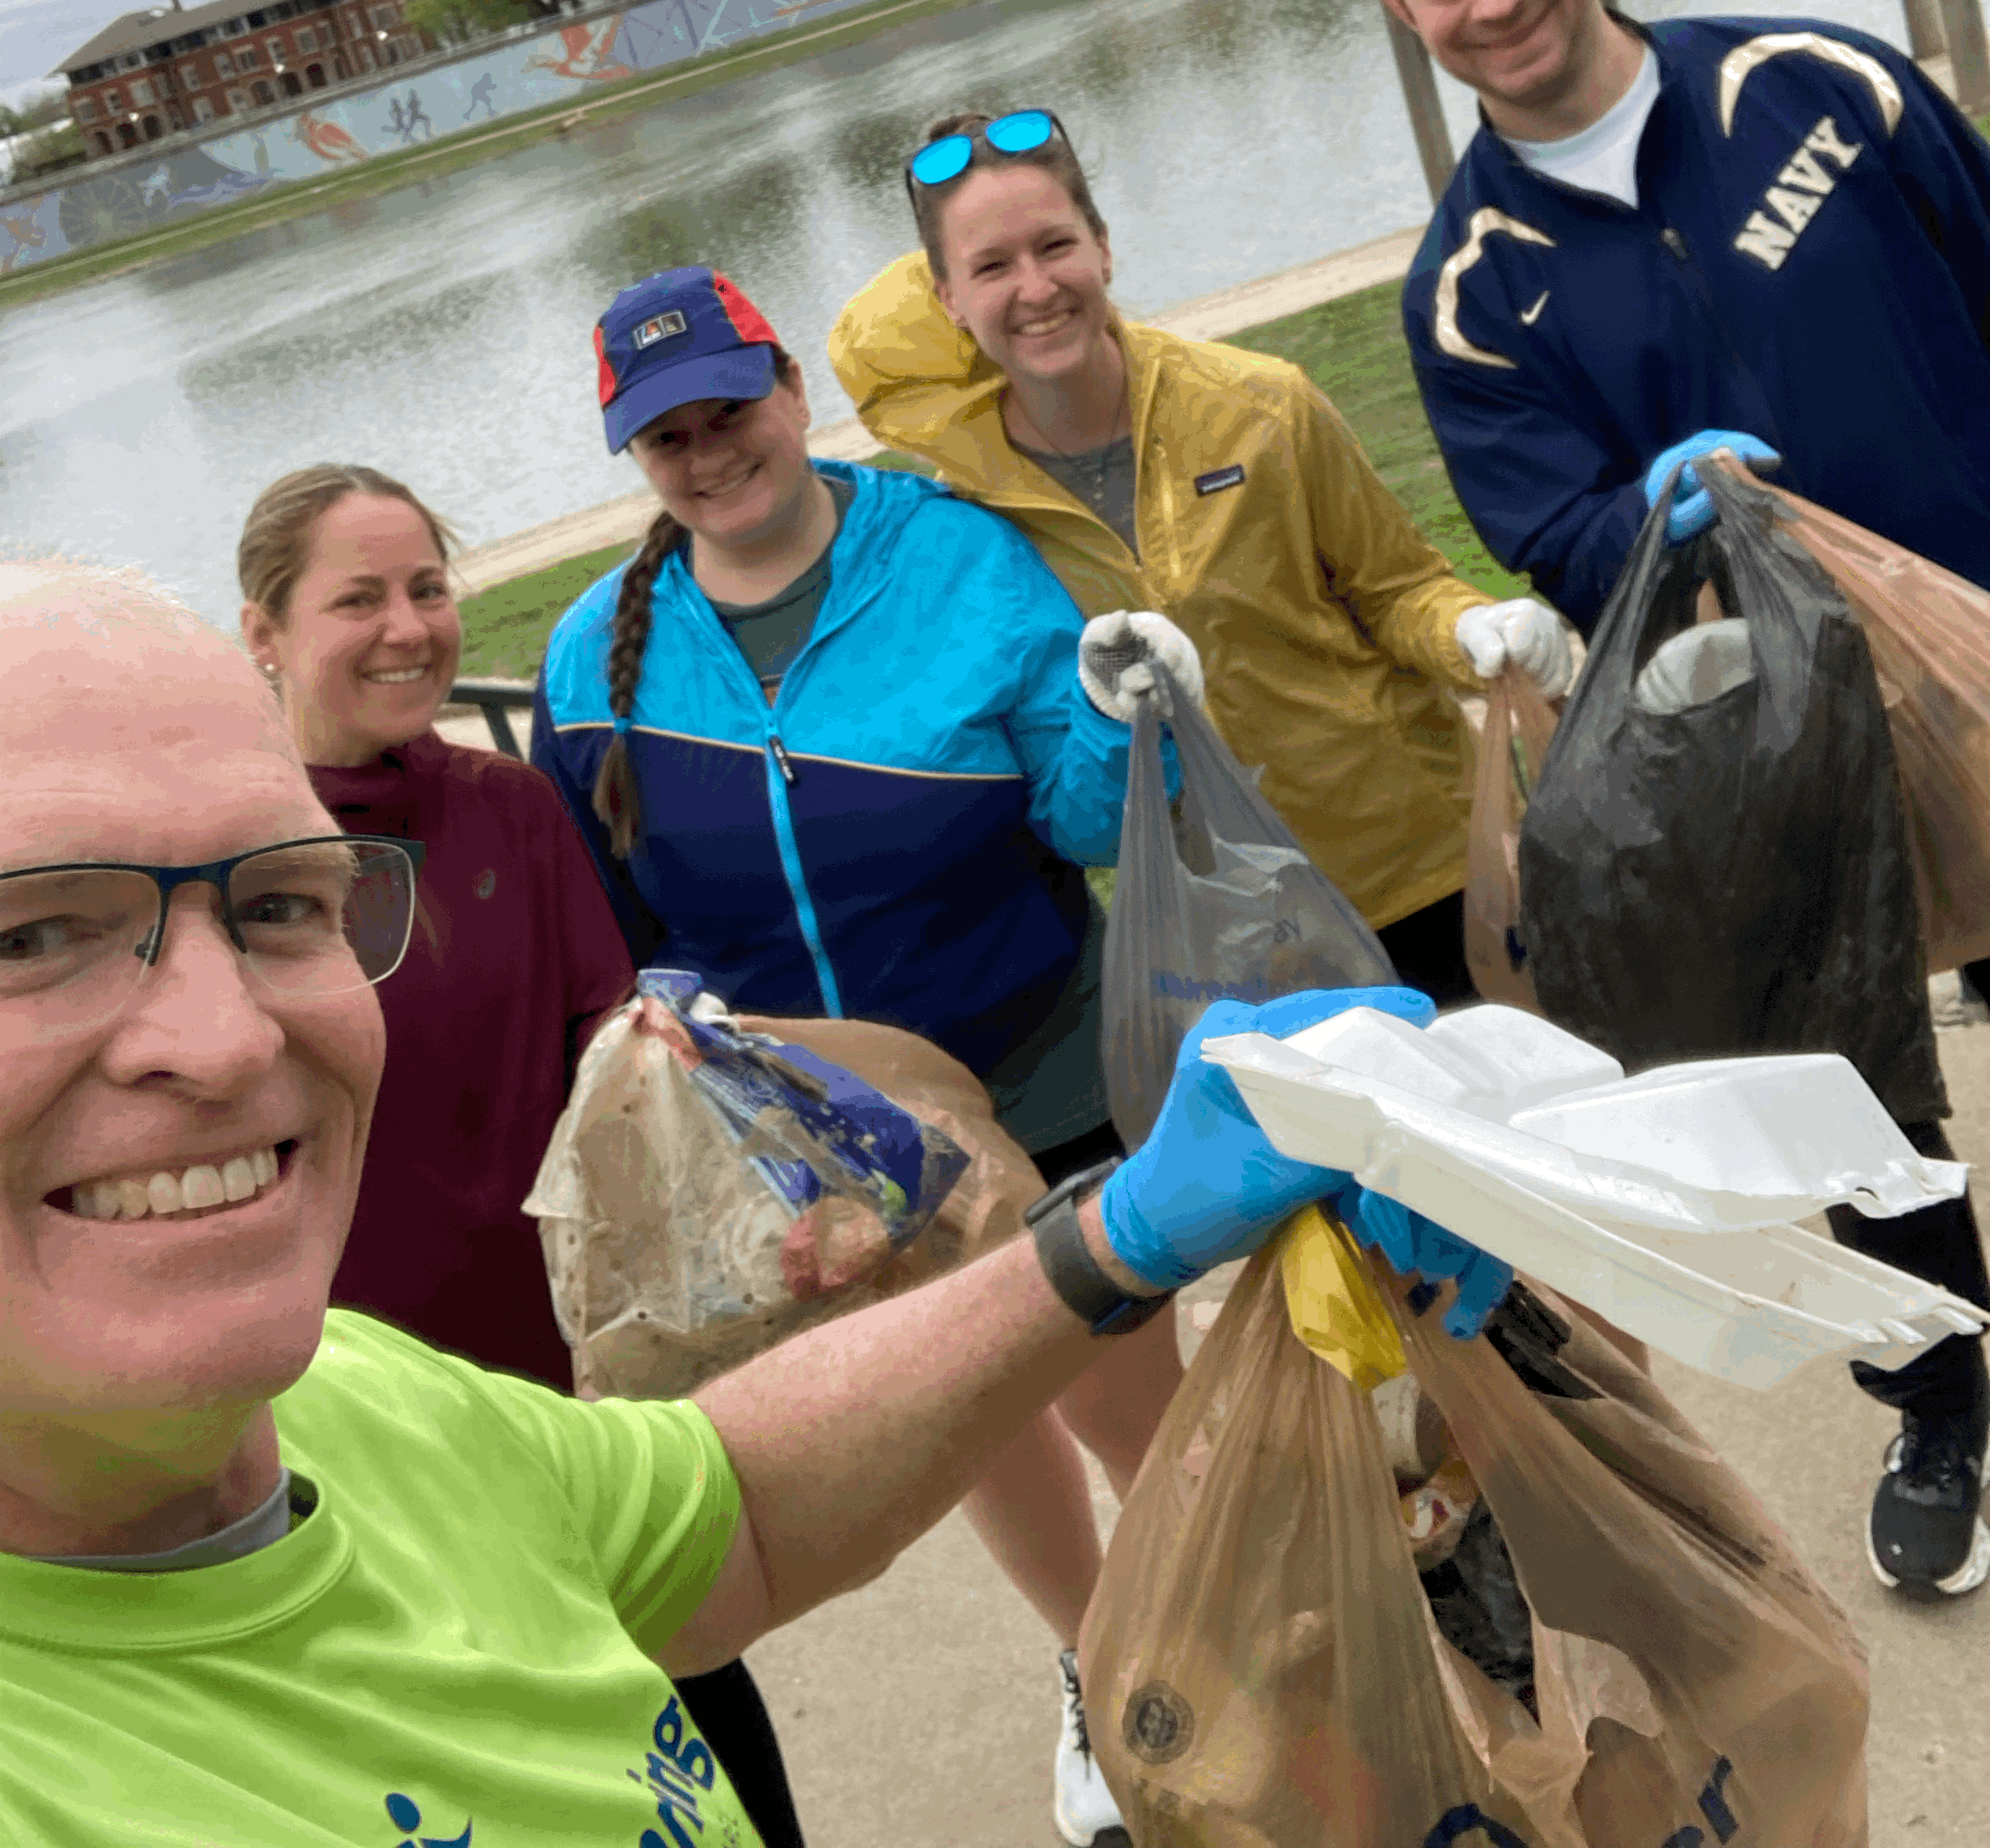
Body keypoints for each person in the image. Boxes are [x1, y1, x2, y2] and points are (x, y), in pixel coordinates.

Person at [0, 554, 1506, 1844]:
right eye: (29, 936)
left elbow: (737, 1513)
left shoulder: (354, 1394)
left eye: (280, 903)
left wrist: (1119, 1231)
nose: (224, 1038)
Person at [1371, 0, 1990, 1599]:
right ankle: (1941, 1391)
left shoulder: (1818, 86)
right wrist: (1644, 508)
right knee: (1850, 1084)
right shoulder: (1468, 293)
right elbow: (1552, 528)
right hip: (1758, 741)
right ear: (1403, 10)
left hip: (1976, 643)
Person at [531, 265, 1204, 1848]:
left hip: (1040, 1071)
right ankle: (1103, 1667)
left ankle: (1219, 1638)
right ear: (635, 458)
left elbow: (1086, 820)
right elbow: (606, 919)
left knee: (1141, 1413)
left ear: (791, 389)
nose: (711, 452)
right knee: (967, 1414)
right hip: (827, 1140)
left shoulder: (955, 555)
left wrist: (1129, 720)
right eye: (668, 436)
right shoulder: (589, 653)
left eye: (731, 407)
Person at [237, 462, 805, 1848]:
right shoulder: (232, 859)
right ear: (263, 631)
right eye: (356, 598)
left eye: (427, 588)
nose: (407, 626)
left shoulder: (507, 806)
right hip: (351, 1416)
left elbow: (603, 1062)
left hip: (566, 1391)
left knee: (698, 1734)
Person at [827, 109, 1576, 1012]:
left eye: (1055, 245)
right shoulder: (970, 507)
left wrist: (1470, 626)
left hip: (1424, 870)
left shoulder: (1259, 403)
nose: (1036, 287)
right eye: (990, 267)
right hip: (1234, 938)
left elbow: (1398, 589)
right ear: (944, 299)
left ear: (1104, 247)